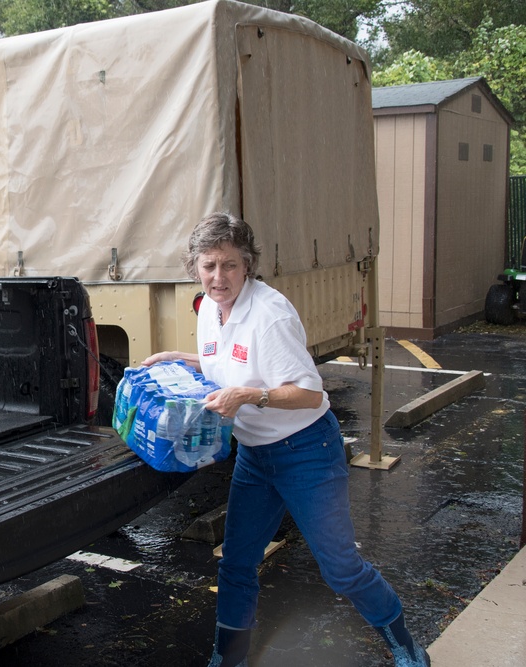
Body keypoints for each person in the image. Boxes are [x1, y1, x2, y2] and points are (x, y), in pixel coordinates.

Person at [142, 212, 429, 667]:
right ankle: (229, 656)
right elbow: (229, 362)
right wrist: (181, 359)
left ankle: (405, 644)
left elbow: (311, 392)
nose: (219, 277)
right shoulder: (210, 310)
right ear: (195, 266)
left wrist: (250, 396)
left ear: (248, 265)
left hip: (306, 452)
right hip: (256, 457)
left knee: (340, 568)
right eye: (209, 265)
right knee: (236, 563)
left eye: (230, 265)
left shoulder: (270, 314)